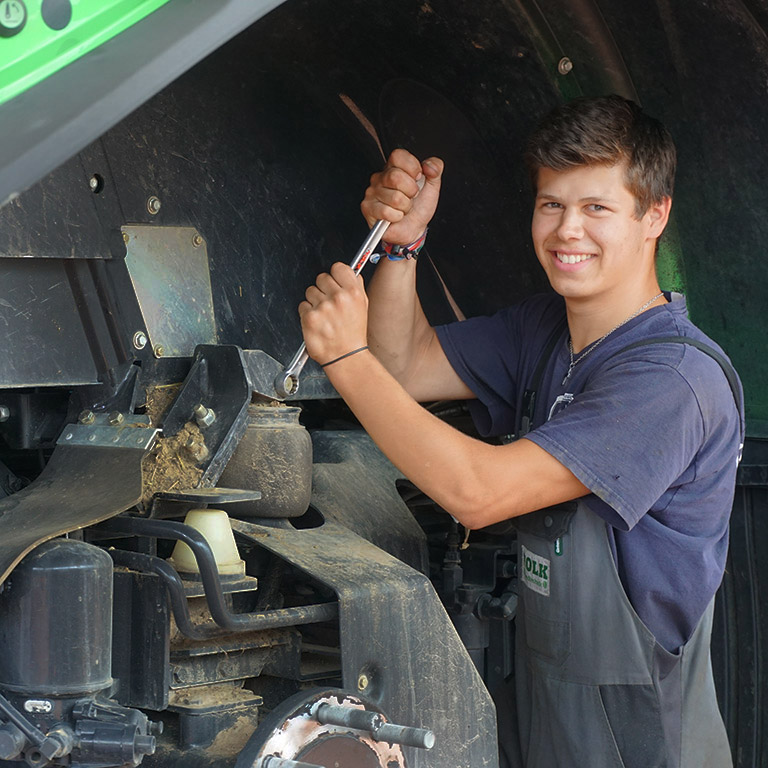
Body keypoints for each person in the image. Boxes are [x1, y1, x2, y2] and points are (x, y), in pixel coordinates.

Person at [297, 95, 742, 768]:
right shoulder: (545, 330)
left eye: (597, 208)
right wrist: (401, 245)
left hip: (638, 742)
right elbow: (406, 368)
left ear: (656, 215)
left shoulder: (671, 380)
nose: (568, 231)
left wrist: (344, 360)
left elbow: (479, 492)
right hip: (546, 716)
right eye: (551, 205)